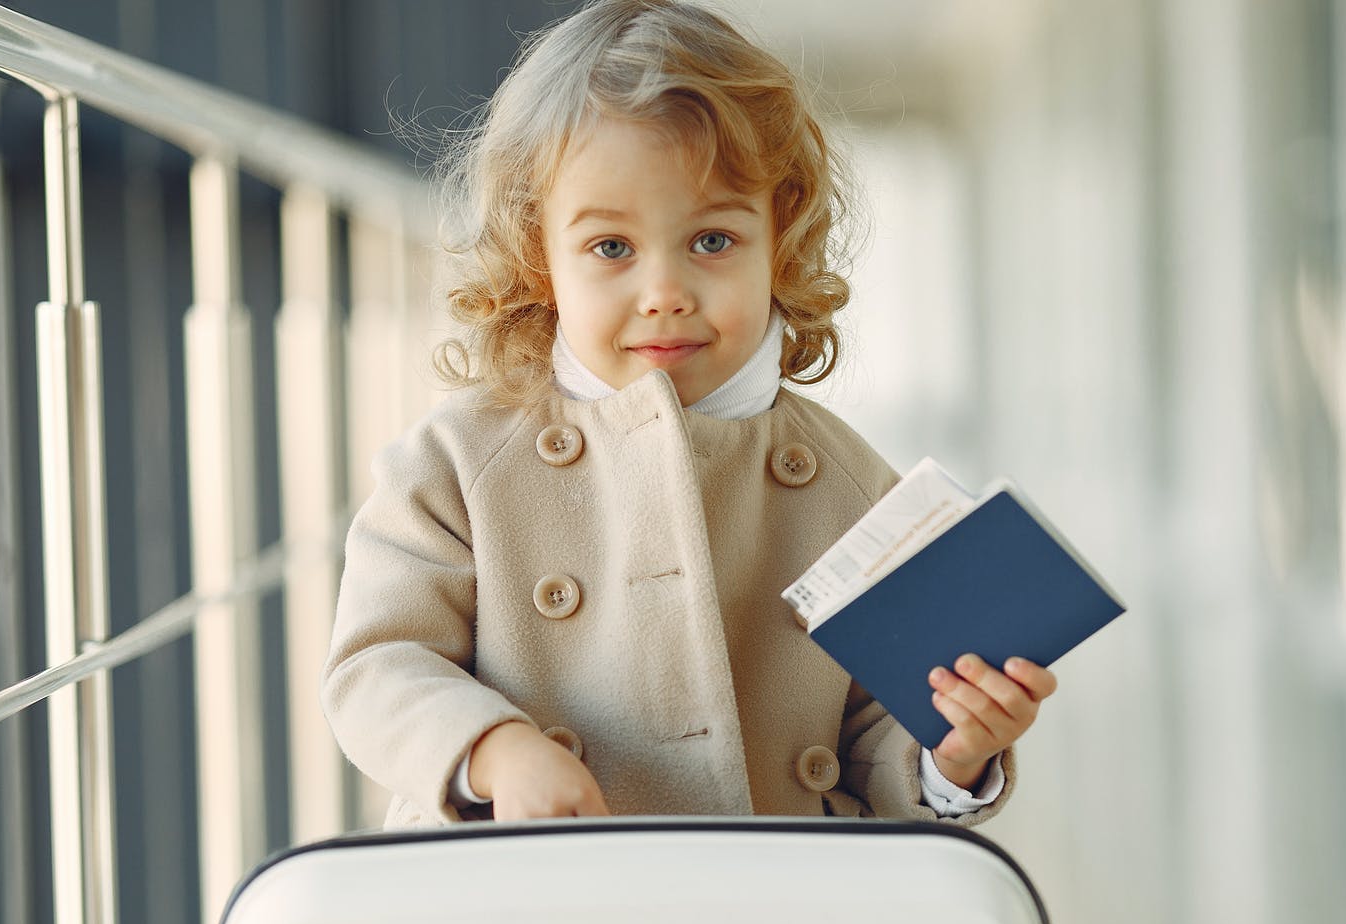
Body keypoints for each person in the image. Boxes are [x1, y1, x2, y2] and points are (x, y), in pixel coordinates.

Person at [321, 0, 1058, 826]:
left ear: (779, 239)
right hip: (523, 901)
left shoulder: (854, 488)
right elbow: (377, 665)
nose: (665, 293)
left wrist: (951, 750)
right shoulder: (454, 464)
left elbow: (877, 739)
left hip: (769, 919)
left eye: (712, 240)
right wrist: (494, 749)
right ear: (539, 254)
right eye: (611, 248)